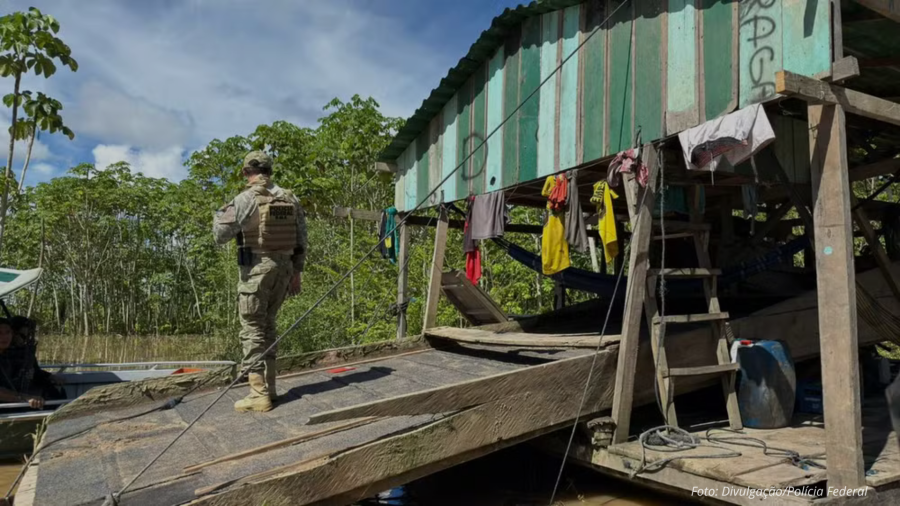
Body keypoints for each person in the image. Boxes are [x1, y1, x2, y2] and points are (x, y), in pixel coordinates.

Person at [213, 151, 307, 413]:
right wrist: (296, 272)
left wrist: (219, 212)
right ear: (270, 171)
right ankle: (272, 388)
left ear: (246, 173)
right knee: (268, 326)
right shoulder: (290, 198)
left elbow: (220, 235)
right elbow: (302, 238)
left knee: (252, 329)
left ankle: (257, 393)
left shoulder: (245, 199)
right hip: (284, 269)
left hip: (257, 270)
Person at [0, 318, 47, 409]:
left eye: (8, 332)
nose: (4, 337)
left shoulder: (8, 357)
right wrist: (25, 397)